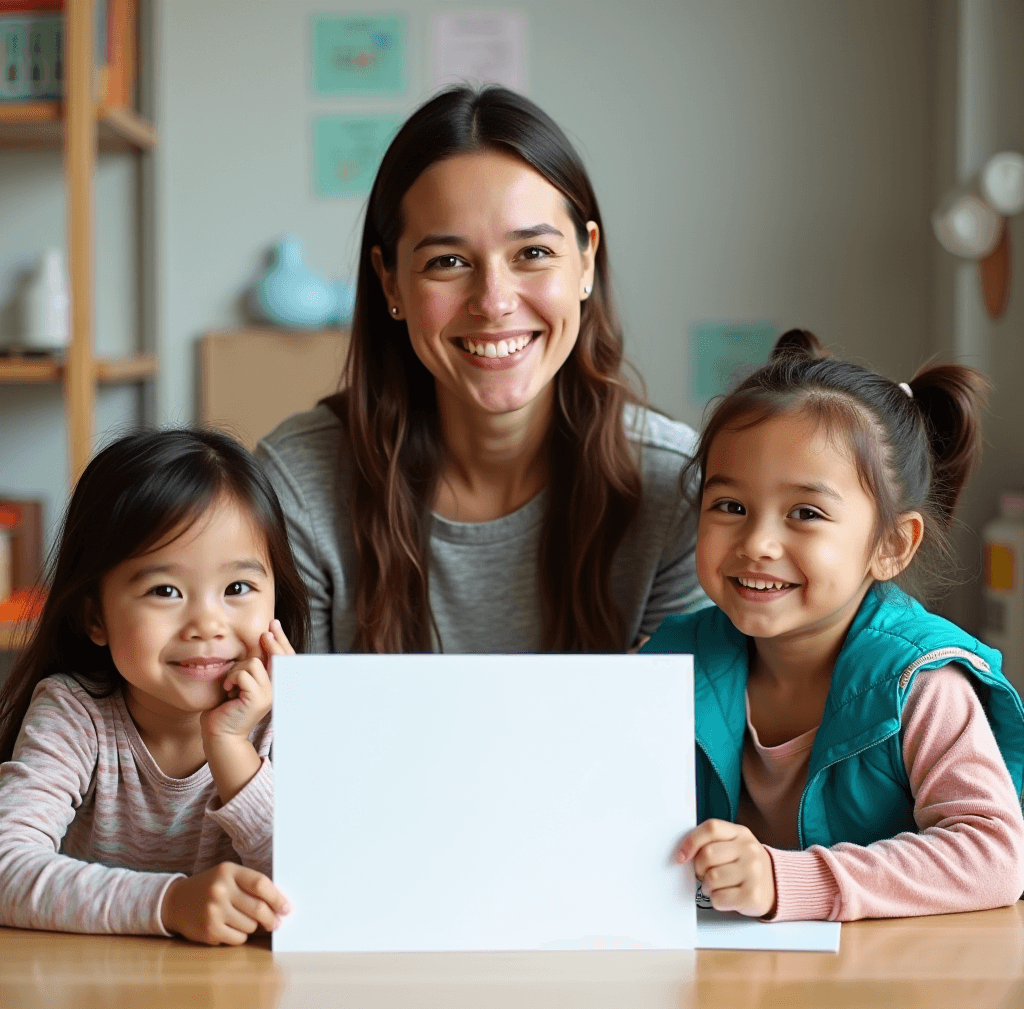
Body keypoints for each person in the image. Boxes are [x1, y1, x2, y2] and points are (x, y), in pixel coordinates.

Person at [256, 86, 706, 654]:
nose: (493, 302)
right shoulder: (298, 486)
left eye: (533, 253)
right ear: (391, 280)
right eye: (448, 261)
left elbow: (673, 739)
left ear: (587, 260)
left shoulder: (677, 493)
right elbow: (282, 737)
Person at [643, 330, 1024, 921]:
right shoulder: (670, 662)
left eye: (806, 513)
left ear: (892, 546)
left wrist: (791, 880)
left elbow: (995, 855)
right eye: (730, 507)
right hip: (725, 979)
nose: (757, 543)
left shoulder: (920, 685)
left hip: (890, 986)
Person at [0, 428, 309, 944]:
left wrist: (233, 753)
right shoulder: (75, 714)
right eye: (165, 590)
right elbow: (6, 866)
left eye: (238, 588)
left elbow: (321, 893)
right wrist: (169, 903)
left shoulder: (290, 718)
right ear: (94, 615)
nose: (207, 624)